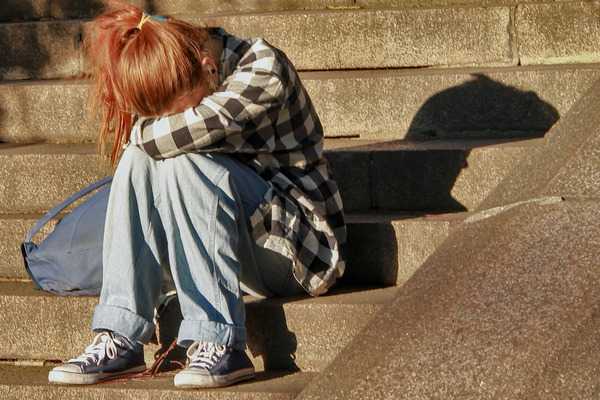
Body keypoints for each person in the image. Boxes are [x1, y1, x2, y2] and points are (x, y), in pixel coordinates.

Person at [47, 1, 346, 389]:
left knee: (177, 156)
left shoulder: (263, 68)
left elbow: (169, 136)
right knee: (144, 160)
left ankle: (219, 342)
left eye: (181, 109)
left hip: (299, 250)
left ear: (208, 66)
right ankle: (120, 333)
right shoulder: (191, 74)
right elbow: (155, 144)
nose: (172, 120)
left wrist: (142, 133)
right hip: (234, 246)